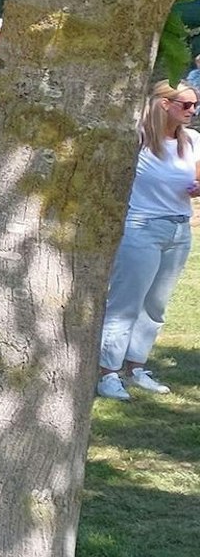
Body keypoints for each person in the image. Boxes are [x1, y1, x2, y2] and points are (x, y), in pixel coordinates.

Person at [96, 81, 198, 401]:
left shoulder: (193, 140)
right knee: (125, 304)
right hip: (142, 227)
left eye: (195, 105)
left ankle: (136, 367)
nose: (192, 111)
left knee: (156, 305)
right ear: (164, 104)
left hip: (179, 229)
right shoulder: (136, 139)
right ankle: (107, 373)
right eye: (186, 104)